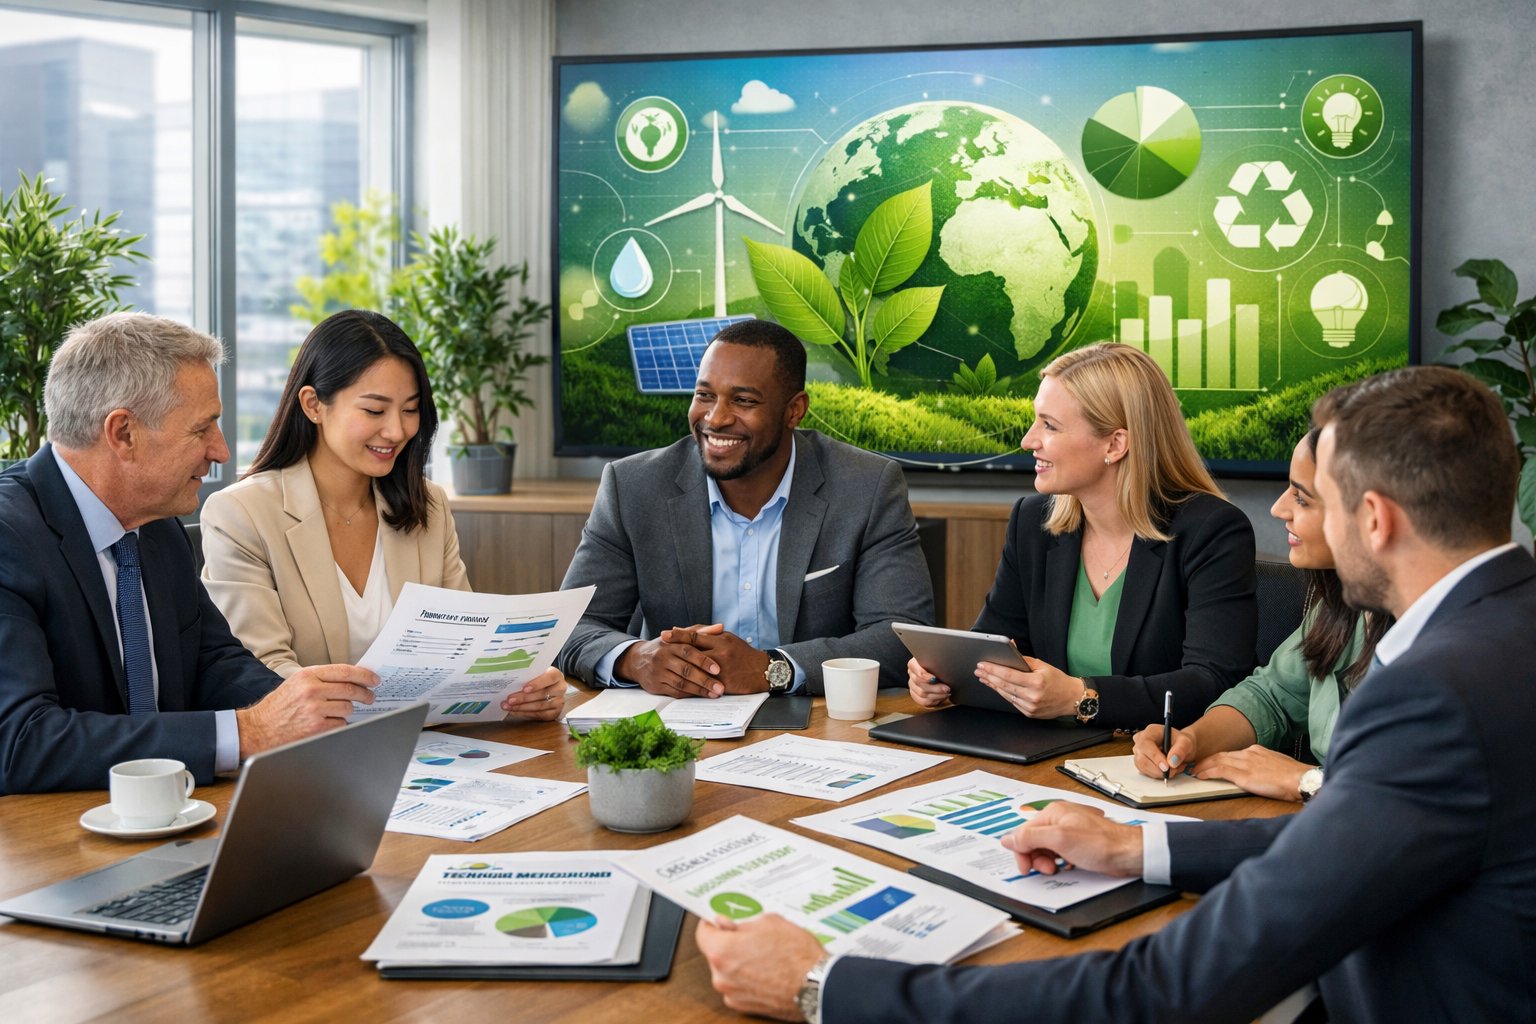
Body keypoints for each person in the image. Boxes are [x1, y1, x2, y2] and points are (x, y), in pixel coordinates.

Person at [696, 365, 1536, 1022]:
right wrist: (1142, 849)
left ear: (1377, 520)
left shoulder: (1431, 696)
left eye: (1314, 499)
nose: (1289, 510)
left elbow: (1165, 991)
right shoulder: (1502, 636)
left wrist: (824, 986)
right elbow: (1352, 849)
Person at [0, 312, 381, 795]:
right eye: (202, 429)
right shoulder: (9, 537)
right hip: (49, 842)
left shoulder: (156, 524)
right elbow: (20, 742)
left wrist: (312, 713)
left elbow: (212, 662)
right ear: (123, 433)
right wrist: (248, 733)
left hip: (176, 816)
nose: (221, 451)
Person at [200, 309, 563, 721]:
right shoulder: (242, 513)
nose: (396, 430)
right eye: (375, 411)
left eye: (410, 410)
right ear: (313, 404)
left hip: (430, 747)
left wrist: (518, 685)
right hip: (316, 753)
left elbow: (463, 651)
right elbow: (262, 674)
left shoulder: (428, 506)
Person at [554, 319, 934, 697]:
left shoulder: (866, 485)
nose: (716, 418)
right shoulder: (633, 487)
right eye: (704, 395)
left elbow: (900, 635)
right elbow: (570, 628)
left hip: (816, 728)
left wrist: (772, 668)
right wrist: (635, 659)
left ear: (794, 410)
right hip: (677, 726)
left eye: (744, 400)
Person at [907, 343, 1256, 731]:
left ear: (1115, 444)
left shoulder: (1212, 531)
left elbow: (1215, 684)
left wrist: (1080, 698)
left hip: (1152, 764)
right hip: (1044, 756)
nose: (1028, 440)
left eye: (1050, 425)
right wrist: (945, 677)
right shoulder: (1032, 523)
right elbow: (1000, 648)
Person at [1130, 427, 1390, 800]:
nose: (1278, 508)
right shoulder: (1342, 605)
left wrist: (1307, 780)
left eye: (1301, 498)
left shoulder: (1443, 636)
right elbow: (1271, 695)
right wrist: (1192, 739)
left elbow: (1424, 799)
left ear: (1370, 514)